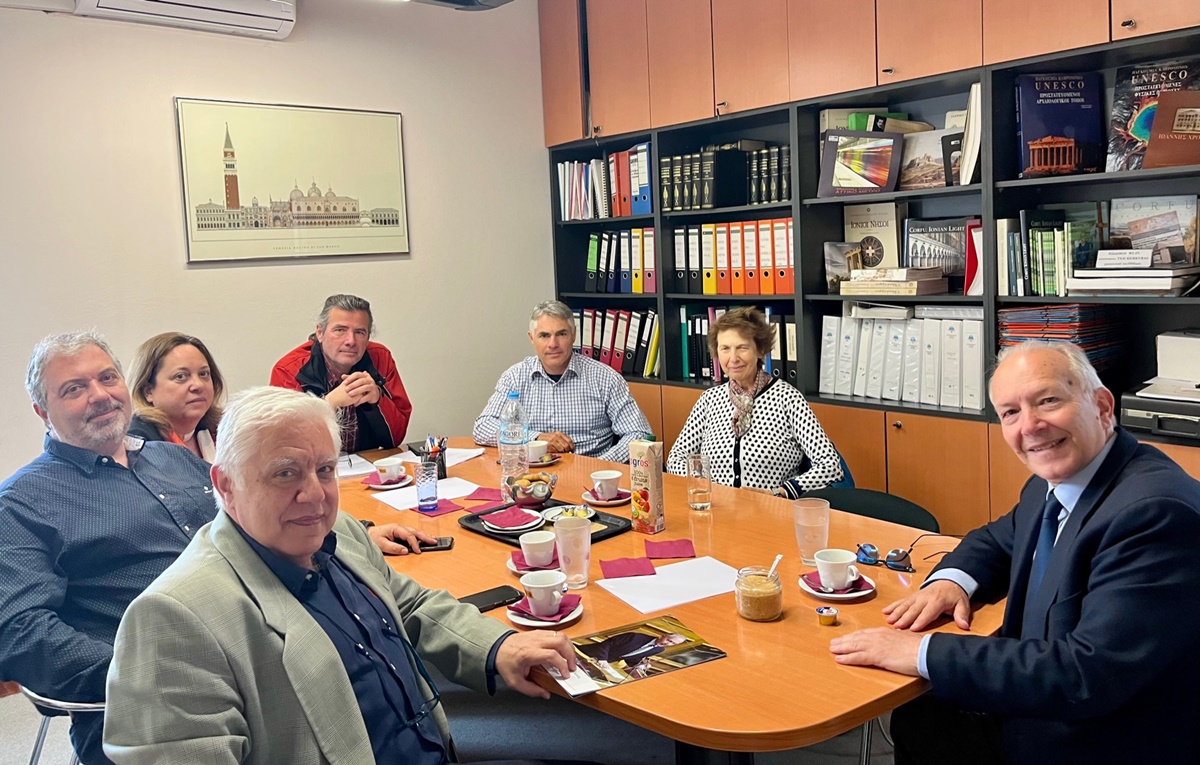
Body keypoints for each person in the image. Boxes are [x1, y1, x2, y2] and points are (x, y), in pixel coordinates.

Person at [0, 332, 433, 765]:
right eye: (74, 388)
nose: (99, 395)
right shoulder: (21, 503)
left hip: (284, 631)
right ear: (42, 411)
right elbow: (22, 632)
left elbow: (255, 512)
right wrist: (153, 673)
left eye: (107, 378)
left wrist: (350, 532)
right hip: (167, 709)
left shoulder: (171, 458)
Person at [103, 386, 578, 765]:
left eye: (324, 470)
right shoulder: (174, 618)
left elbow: (410, 604)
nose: (314, 495)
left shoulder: (341, 533)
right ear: (226, 484)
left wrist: (495, 647)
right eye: (286, 473)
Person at [829, 340, 1200, 763]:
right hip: (1040, 706)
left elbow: (1084, 675)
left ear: (1101, 405)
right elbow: (996, 539)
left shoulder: (1154, 514)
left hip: (1096, 739)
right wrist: (951, 582)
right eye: (1010, 413)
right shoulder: (1057, 480)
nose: (1030, 426)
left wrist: (920, 652)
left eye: (1048, 401)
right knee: (920, 718)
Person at [666, 307, 842, 497]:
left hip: (771, 509)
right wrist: (704, 484)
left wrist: (781, 492)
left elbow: (830, 466)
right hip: (716, 508)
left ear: (760, 350)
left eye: (742, 347)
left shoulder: (788, 398)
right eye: (725, 348)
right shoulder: (709, 400)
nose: (733, 358)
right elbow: (676, 458)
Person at [473, 301, 650, 463]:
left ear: (574, 335)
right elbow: (482, 427)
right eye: (544, 335)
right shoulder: (515, 377)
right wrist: (535, 437)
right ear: (531, 338)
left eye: (561, 334)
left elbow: (639, 434)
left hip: (588, 475)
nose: (553, 344)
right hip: (531, 475)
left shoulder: (605, 378)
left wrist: (600, 466)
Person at [270, 293, 412, 453]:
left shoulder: (380, 358)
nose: (351, 341)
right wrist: (328, 404)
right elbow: (284, 444)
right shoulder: (288, 370)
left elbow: (395, 439)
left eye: (359, 332)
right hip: (314, 466)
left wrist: (378, 400)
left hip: (365, 463)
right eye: (340, 330)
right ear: (320, 333)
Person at [126, 331, 224, 462]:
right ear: (148, 391)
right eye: (181, 376)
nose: (198, 385)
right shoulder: (137, 446)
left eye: (203, 374)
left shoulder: (224, 431)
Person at [576, 631, 687, 669]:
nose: (668, 644)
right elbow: (607, 644)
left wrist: (639, 665)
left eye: (673, 644)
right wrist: (602, 659)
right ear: (663, 635)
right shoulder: (635, 637)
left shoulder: (659, 650)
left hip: (596, 663)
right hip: (586, 653)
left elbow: (633, 656)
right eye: (669, 640)